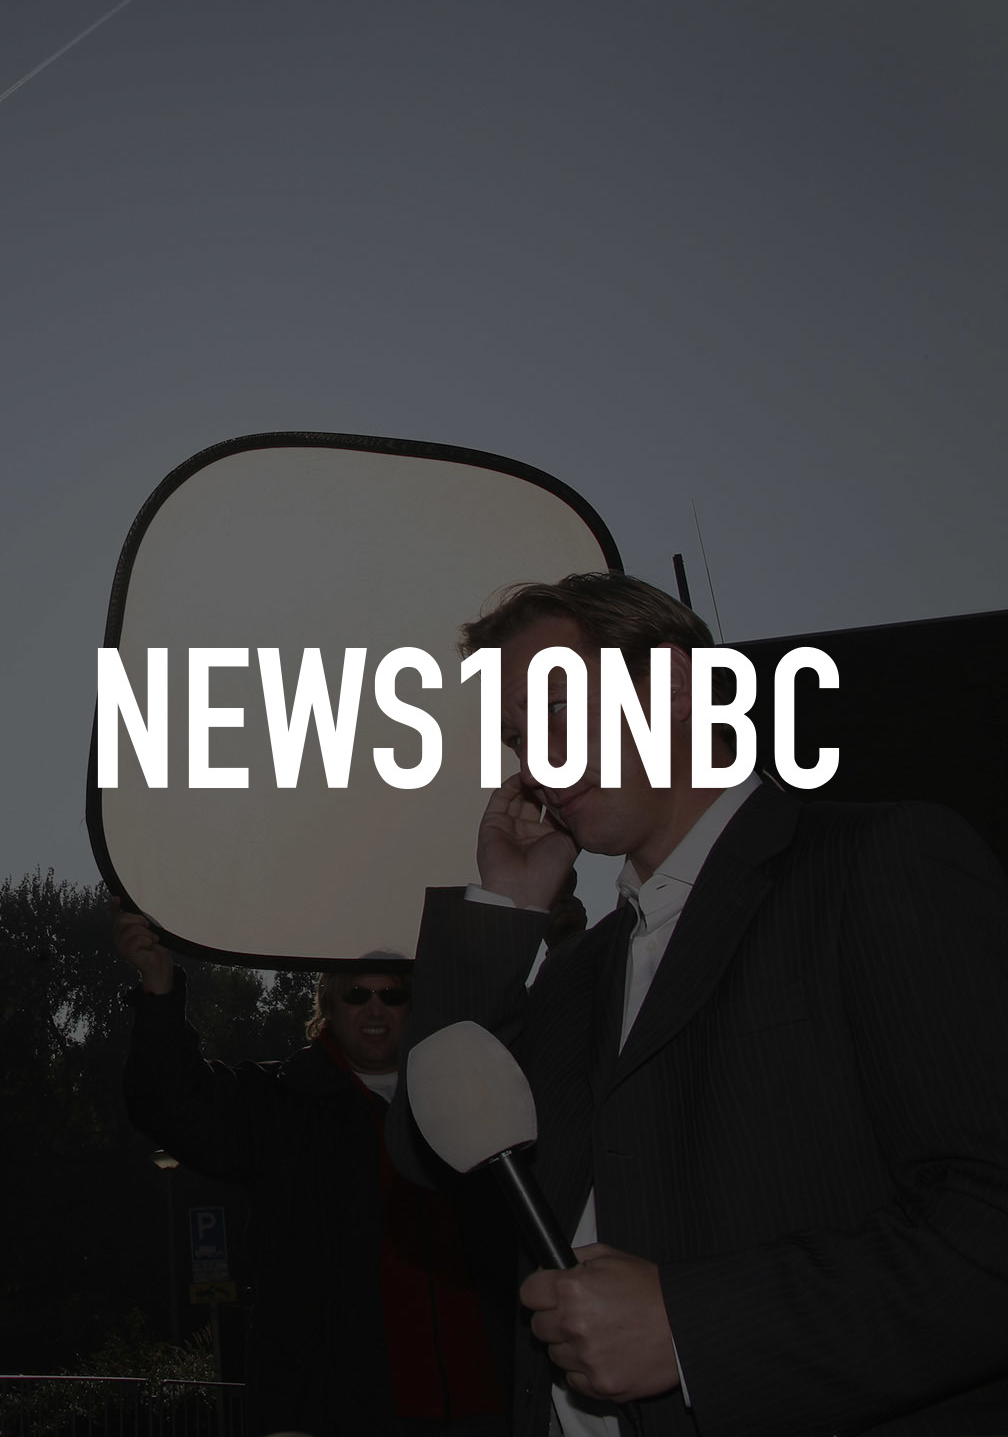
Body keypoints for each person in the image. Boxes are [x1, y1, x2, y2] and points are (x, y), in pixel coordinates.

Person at [387, 572, 1008, 1437]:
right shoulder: (578, 972)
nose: (538, 763)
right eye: (518, 738)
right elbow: (431, 1155)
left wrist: (692, 1330)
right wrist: (504, 911)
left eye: (559, 708)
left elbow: (988, 1221)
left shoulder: (878, 862)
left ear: (676, 684)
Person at [117, 904, 514, 1437]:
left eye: (392, 995)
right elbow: (170, 1104)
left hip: (483, 1405)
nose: (375, 1009)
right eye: (357, 994)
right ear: (329, 1004)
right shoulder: (283, 1103)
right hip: (334, 1411)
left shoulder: (470, 1102)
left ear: (414, 1005)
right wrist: (159, 986)